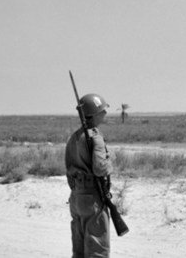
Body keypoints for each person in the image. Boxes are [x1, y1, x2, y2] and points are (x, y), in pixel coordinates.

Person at [65, 93, 113, 258]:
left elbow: (69, 171)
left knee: (78, 250)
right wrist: (109, 164)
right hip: (92, 197)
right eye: (102, 110)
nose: (105, 113)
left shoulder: (74, 138)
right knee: (97, 251)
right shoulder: (95, 137)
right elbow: (100, 168)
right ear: (94, 114)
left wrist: (78, 189)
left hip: (76, 197)